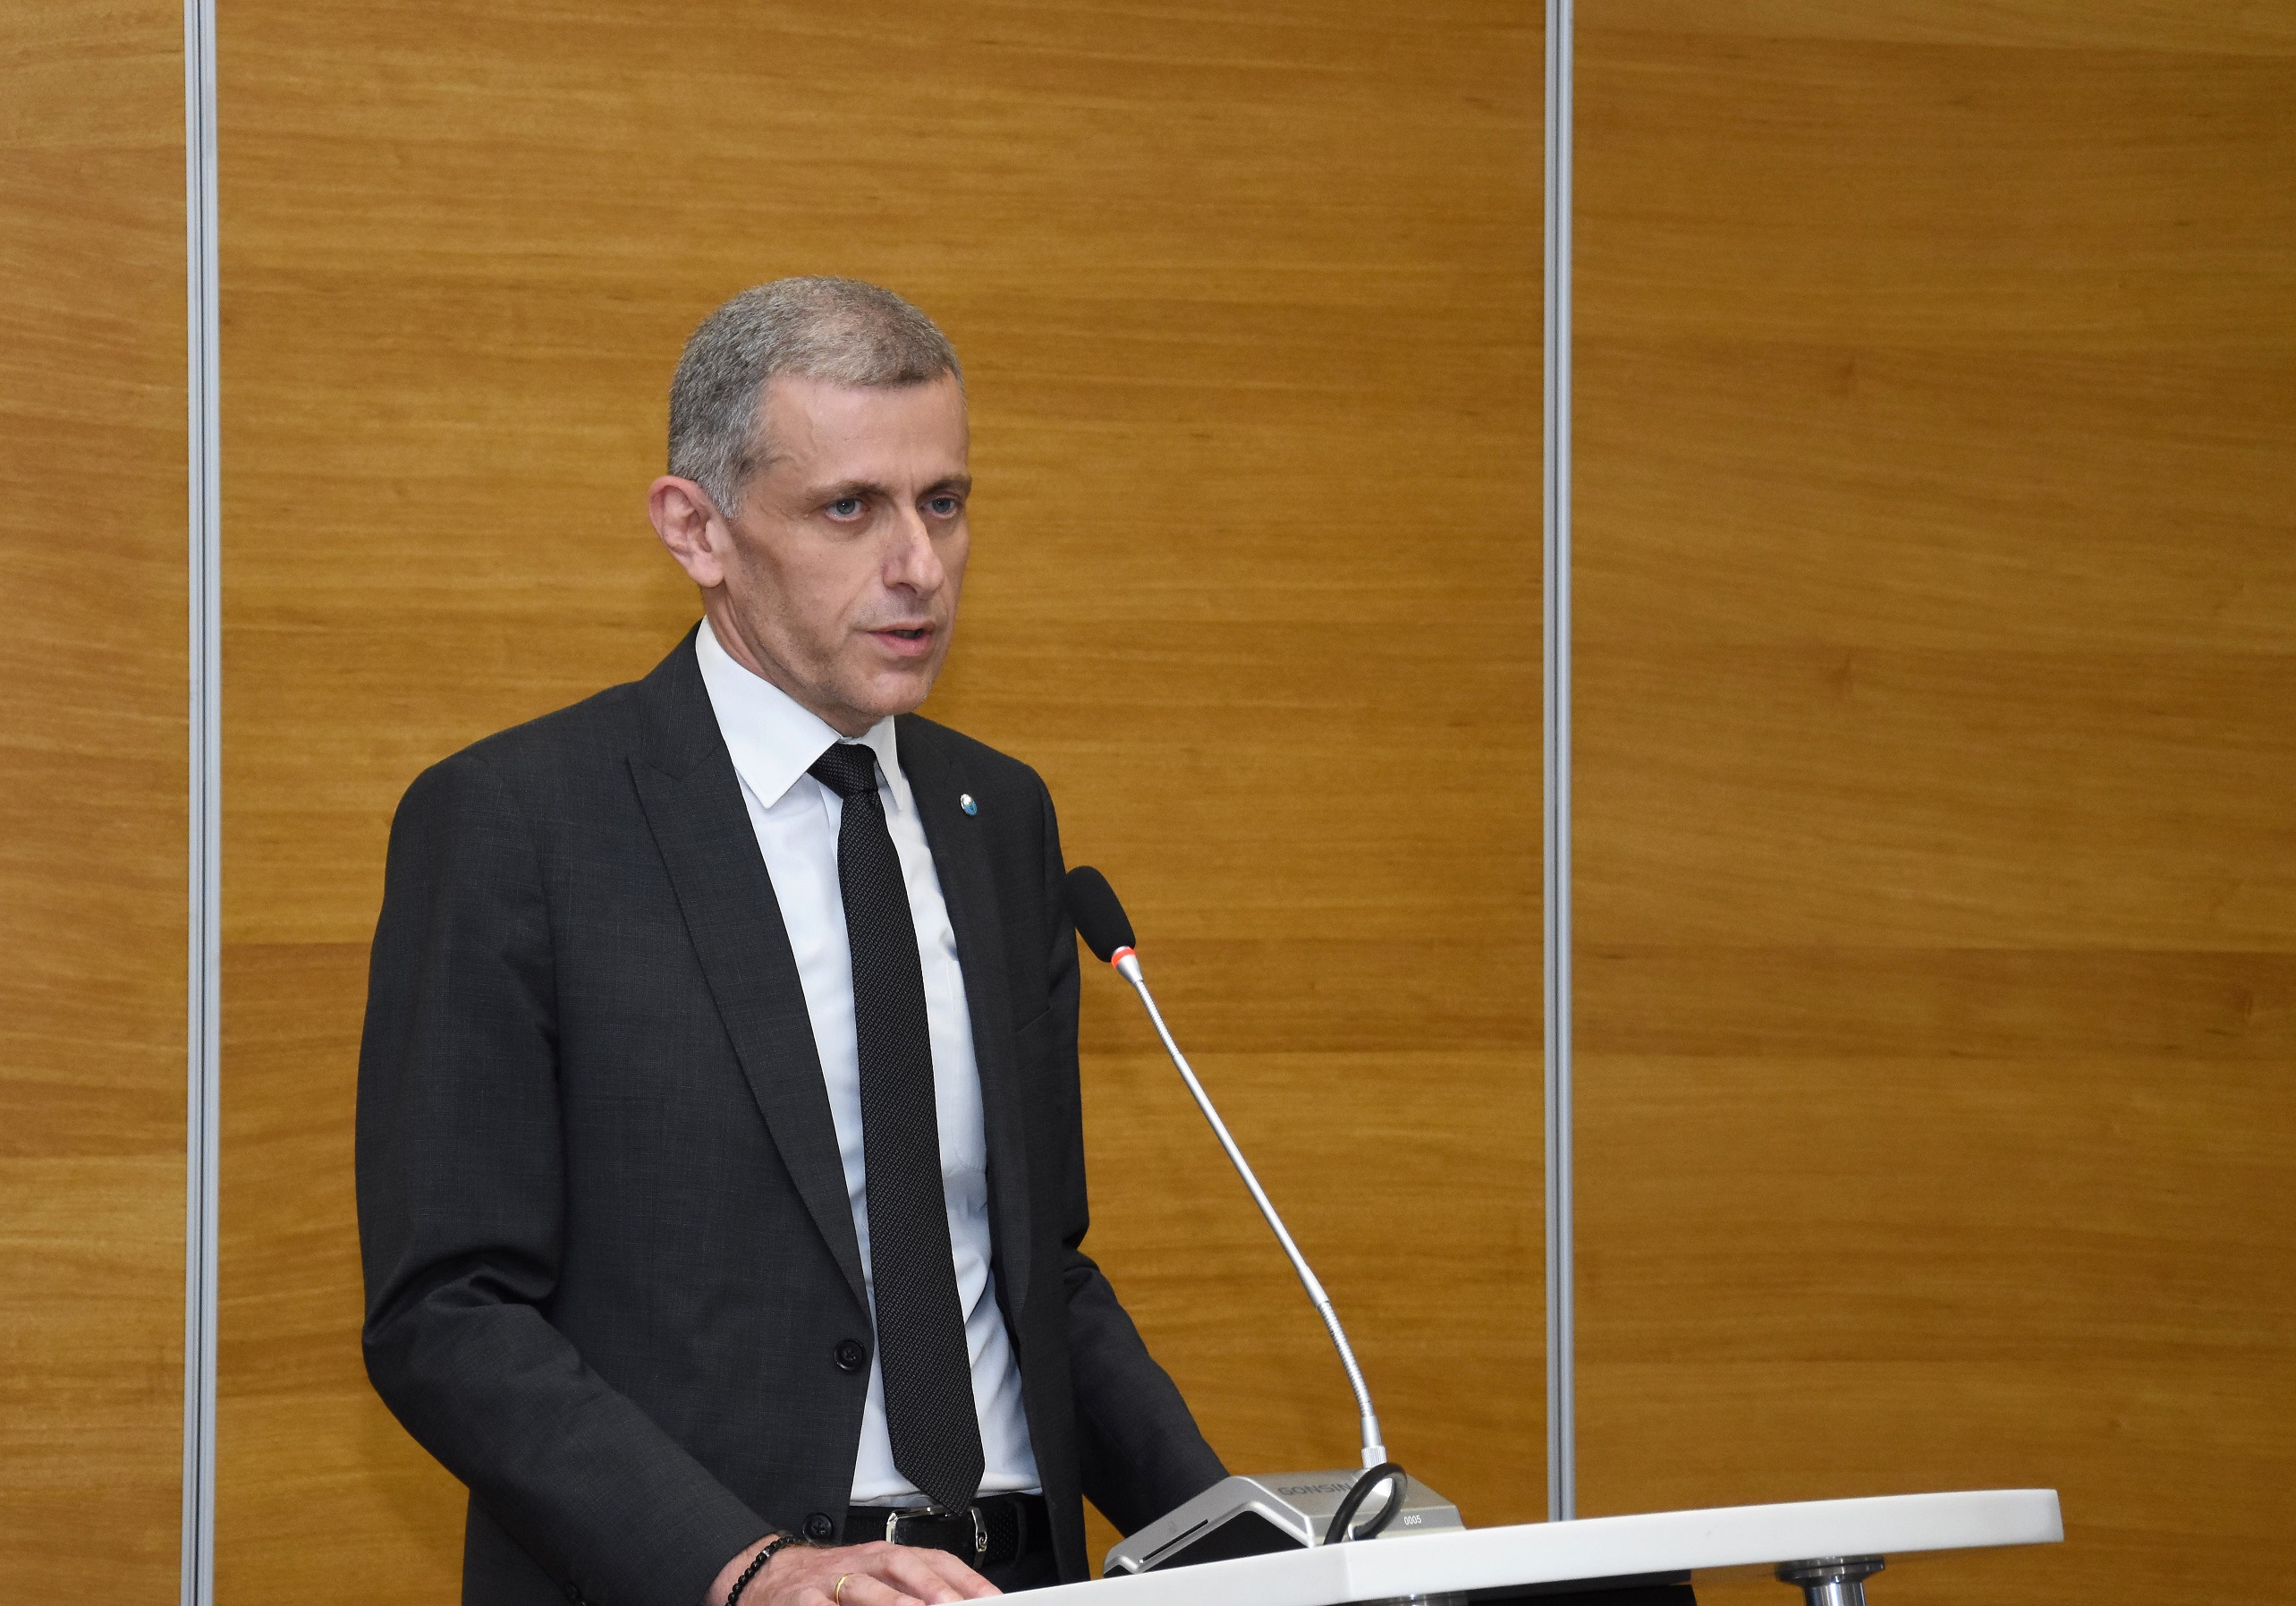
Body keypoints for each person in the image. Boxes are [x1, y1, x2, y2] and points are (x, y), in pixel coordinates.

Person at [357, 277, 1227, 1606]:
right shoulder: (519, 825)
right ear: (696, 529)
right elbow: (448, 1312)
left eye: (944, 502)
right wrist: (748, 1568)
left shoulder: (999, 817)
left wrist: (1245, 1545)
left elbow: (1033, 1274)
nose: (918, 567)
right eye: (849, 509)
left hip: (1018, 1579)